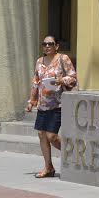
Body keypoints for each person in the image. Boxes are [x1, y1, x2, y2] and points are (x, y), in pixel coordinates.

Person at [25, 36, 76, 178]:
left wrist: (60, 80)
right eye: (44, 44)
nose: (47, 46)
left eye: (50, 44)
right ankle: (48, 167)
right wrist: (31, 101)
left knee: (52, 136)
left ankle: (71, 155)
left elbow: (73, 77)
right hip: (43, 104)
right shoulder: (39, 62)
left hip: (58, 103)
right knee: (41, 134)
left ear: (57, 46)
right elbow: (36, 82)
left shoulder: (62, 59)